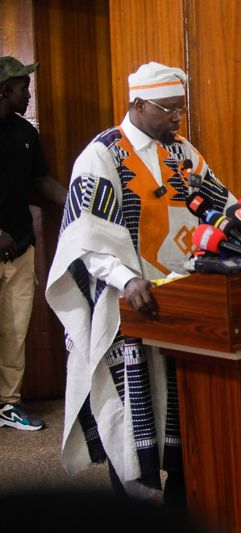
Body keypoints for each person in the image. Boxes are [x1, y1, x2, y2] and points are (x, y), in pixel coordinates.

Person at [46, 62, 235, 503]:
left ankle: (184, 507)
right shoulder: (101, 155)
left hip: (182, 302)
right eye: (169, 109)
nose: (177, 118)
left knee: (186, 414)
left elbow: (221, 207)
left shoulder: (183, 152)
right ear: (138, 104)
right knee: (131, 417)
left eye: (181, 108)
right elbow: (85, 237)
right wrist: (127, 279)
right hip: (126, 305)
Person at [0, 56, 67, 431]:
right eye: (23, 87)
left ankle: (7, 404)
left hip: (21, 247)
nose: (29, 94)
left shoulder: (26, 133)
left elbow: (41, 182)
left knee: (14, 328)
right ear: (4, 90)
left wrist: (79, 205)